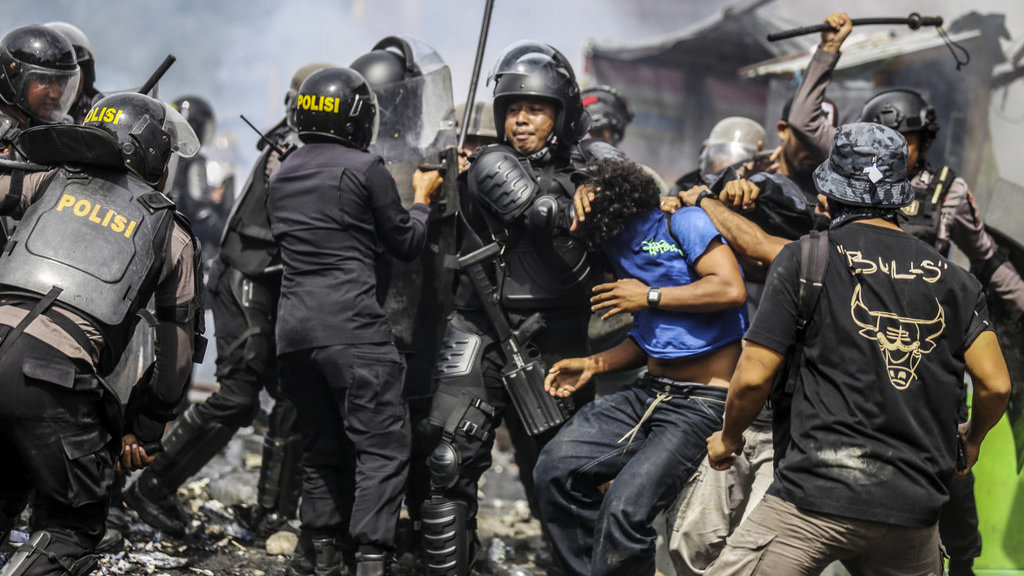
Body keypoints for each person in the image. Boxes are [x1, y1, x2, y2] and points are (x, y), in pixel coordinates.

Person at [704, 122, 1011, 575]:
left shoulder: (806, 258)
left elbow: (752, 377)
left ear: (829, 193)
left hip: (814, 498)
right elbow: (995, 384)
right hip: (913, 511)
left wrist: (728, 438)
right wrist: (973, 439)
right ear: (899, 197)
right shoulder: (955, 281)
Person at [787, 14, 1024, 573]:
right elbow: (801, 120)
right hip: (859, 337)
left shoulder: (949, 192)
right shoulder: (848, 174)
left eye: (910, 140)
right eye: (892, 140)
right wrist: (828, 50)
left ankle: (960, 562)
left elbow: (987, 260)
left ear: (925, 141)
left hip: (928, 344)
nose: (900, 150)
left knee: (952, 478)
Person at [419, 40, 624, 576]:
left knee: (563, 470)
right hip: (478, 327)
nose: (521, 120)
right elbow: (535, 210)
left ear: (562, 113)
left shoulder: (590, 161)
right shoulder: (491, 162)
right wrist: (574, 202)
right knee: (448, 463)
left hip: (557, 336)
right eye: (512, 108)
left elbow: (632, 189)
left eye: (535, 108)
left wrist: (607, 189)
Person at [123, 64, 327, 550]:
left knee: (294, 395)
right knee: (237, 395)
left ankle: (272, 514)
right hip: (245, 277)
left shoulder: (305, 145)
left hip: (271, 281)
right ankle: (152, 488)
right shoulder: (293, 147)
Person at [0, 92, 203, 576]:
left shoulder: (48, 181)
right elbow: (176, 352)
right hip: (48, 380)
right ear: (154, 154)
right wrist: (147, 425)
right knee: (73, 528)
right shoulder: (169, 230)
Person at [534, 157, 747, 576]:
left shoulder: (681, 222)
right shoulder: (613, 243)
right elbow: (655, 337)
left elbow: (730, 288)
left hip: (704, 401)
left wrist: (648, 296)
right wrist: (595, 364)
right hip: (651, 390)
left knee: (625, 509)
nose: (577, 221)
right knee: (555, 469)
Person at [267, 65, 441, 576]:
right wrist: (423, 199)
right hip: (354, 332)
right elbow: (406, 243)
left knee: (322, 451)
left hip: (293, 336)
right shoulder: (367, 168)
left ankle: (322, 558)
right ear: (359, 118)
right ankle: (371, 561)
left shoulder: (282, 173)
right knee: (384, 451)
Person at [0, 24, 80, 156]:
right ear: (11, 77)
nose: (55, 94)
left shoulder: (64, 131)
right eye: (45, 81)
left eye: (61, 83)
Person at [169, 95, 231, 256]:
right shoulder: (194, 159)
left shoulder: (165, 152)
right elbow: (197, 203)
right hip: (187, 228)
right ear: (196, 126)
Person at [43, 22, 101, 125]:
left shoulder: (101, 114)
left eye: (72, 75)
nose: (64, 85)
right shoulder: (22, 118)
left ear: (86, 76)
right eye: (56, 77)